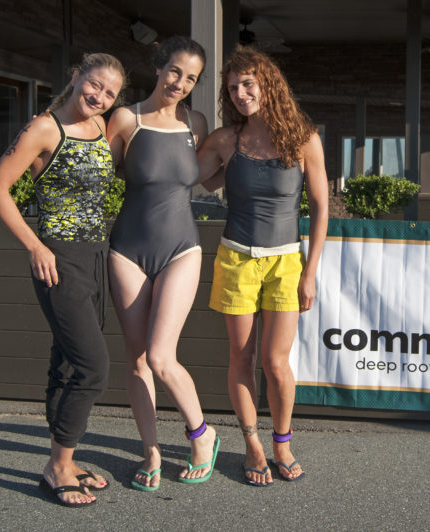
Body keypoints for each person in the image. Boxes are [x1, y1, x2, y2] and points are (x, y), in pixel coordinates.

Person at [0, 53, 126, 507]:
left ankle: (63, 458)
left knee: (67, 361)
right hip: (57, 259)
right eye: (94, 85)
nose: (99, 97)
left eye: (109, 93)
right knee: (93, 367)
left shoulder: (102, 129)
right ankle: (59, 466)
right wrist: (36, 246)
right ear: (76, 76)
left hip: (95, 256)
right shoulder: (45, 128)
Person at [197, 45, 328, 486]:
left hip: (287, 263)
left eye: (248, 84)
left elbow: (321, 207)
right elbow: (190, 176)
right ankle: (252, 444)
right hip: (236, 259)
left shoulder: (303, 138)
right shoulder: (226, 139)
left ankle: (282, 443)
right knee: (242, 357)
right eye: (233, 87)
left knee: (275, 362)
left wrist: (310, 273)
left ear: (267, 84)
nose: (240, 93)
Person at [106, 36, 219, 491]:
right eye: (175, 71)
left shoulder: (197, 121)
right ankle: (150, 450)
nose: (180, 83)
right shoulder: (125, 119)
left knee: (160, 356)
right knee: (137, 361)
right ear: (159, 67)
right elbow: (110, 173)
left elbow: (208, 175)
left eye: (191, 78)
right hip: (128, 249)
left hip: (181, 248)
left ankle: (202, 434)